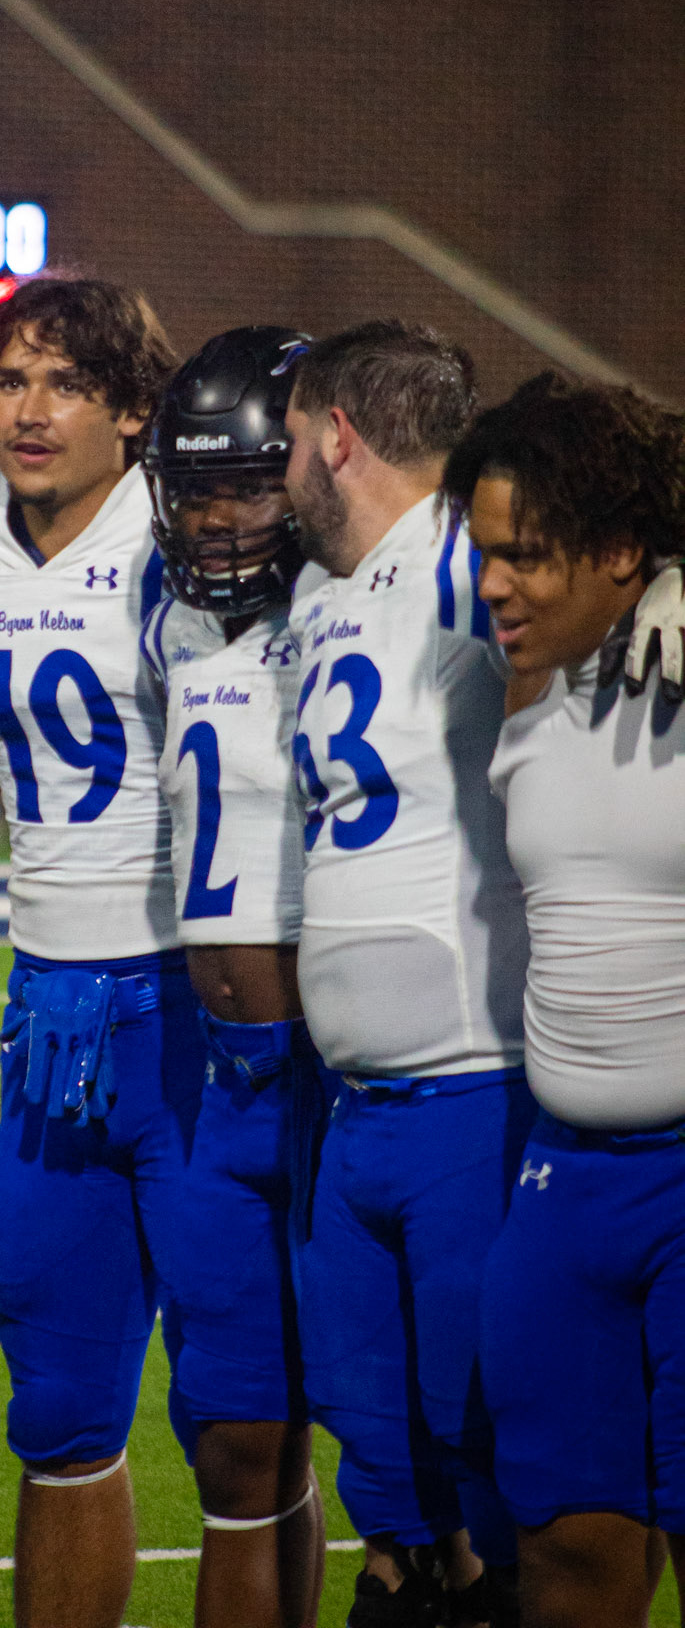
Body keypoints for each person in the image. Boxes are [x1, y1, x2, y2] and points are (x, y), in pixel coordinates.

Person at [0, 275, 281, 1628]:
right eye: (10, 379)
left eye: (66, 382)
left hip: (191, 1014)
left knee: (240, 1425)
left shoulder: (187, 523)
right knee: (59, 1414)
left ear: (133, 413)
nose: (30, 408)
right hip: (48, 1016)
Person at [284, 320, 530, 1628]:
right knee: (379, 1461)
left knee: (489, 1455)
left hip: (470, 1089)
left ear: (337, 437)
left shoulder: (468, 561)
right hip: (354, 1108)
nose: (280, 474)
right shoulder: (326, 588)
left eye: (290, 441)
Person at [446, 373, 685, 1628]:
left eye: (527, 555)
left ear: (622, 548)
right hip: (566, 1179)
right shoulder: (525, 676)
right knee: (564, 1552)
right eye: (486, 551)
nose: (494, 584)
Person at [138, 324, 327, 1628]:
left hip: (340, 1076)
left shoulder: (380, 606)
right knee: (232, 1440)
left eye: (247, 487)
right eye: (196, 488)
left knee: (423, 1438)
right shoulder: (166, 621)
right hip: (223, 1085)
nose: (216, 518)